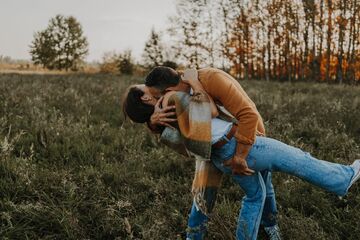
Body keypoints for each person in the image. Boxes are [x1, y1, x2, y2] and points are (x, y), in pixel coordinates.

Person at [122, 67, 360, 240]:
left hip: (218, 153)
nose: (150, 91)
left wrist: (152, 122)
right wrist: (194, 84)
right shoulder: (172, 97)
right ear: (145, 96)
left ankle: (246, 229)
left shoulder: (164, 109)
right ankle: (343, 178)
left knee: (255, 194)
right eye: (145, 90)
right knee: (300, 160)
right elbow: (212, 110)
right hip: (236, 145)